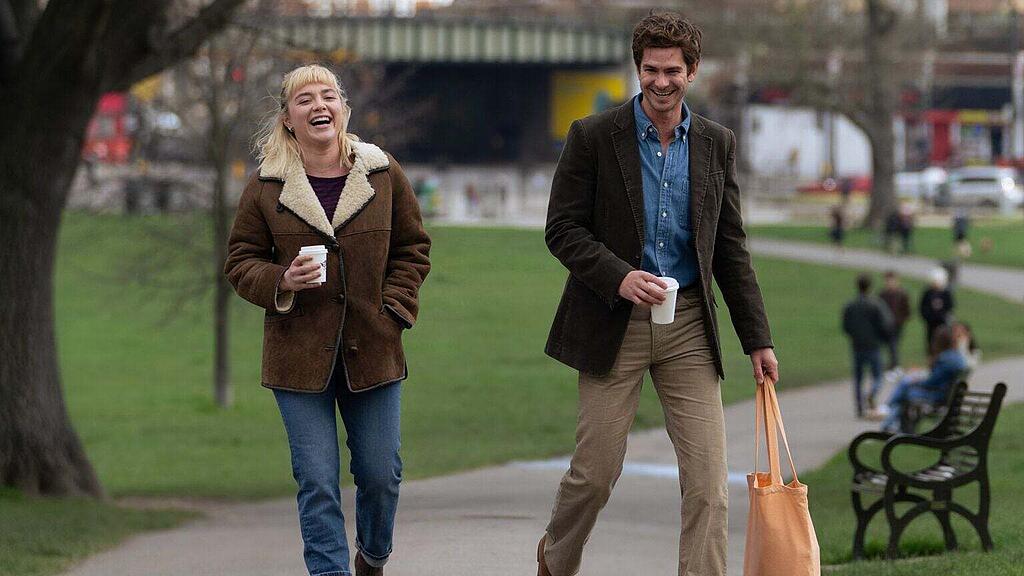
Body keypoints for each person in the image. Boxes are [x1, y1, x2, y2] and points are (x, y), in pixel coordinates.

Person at [538, 13, 777, 576]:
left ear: (692, 71)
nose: (661, 82)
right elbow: (562, 229)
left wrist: (758, 340)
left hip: (689, 325)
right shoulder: (594, 137)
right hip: (613, 321)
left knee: (709, 485)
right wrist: (618, 276)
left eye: (672, 71)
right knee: (595, 474)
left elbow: (730, 248)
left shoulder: (717, 143)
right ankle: (555, 558)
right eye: (651, 70)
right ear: (637, 69)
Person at [224, 64, 430, 576]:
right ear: (287, 118)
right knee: (317, 481)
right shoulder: (267, 186)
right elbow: (240, 261)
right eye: (305, 99)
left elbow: (413, 249)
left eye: (328, 96)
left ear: (343, 108)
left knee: (381, 475)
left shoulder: (382, 174)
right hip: (297, 357)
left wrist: (393, 310)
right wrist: (282, 279)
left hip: (374, 348)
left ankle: (373, 556)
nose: (319, 105)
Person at [878, 326, 968, 432]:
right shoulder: (957, 357)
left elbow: (931, 382)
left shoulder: (945, 358)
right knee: (906, 386)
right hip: (945, 395)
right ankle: (891, 421)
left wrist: (917, 381)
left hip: (937, 396)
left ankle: (888, 418)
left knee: (905, 389)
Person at [842, 274, 893, 417]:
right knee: (878, 376)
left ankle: (859, 407)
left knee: (858, 378)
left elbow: (846, 326)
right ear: (870, 286)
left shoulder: (850, 305)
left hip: (857, 346)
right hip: (873, 345)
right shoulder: (876, 304)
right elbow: (886, 324)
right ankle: (872, 393)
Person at [878, 270, 910, 370]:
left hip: (897, 326)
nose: (889, 283)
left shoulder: (902, 294)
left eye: (891, 280)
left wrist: (900, 321)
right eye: (888, 281)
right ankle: (886, 365)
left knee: (894, 346)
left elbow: (907, 311)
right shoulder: (882, 294)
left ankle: (895, 366)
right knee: (884, 346)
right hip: (884, 326)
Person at [920, 267, 954, 356]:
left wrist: (943, 316)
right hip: (930, 323)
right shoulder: (928, 293)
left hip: (942, 323)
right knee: (931, 341)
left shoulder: (946, 294)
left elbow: (949, 307)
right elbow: (923, 307)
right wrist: (927, 317)